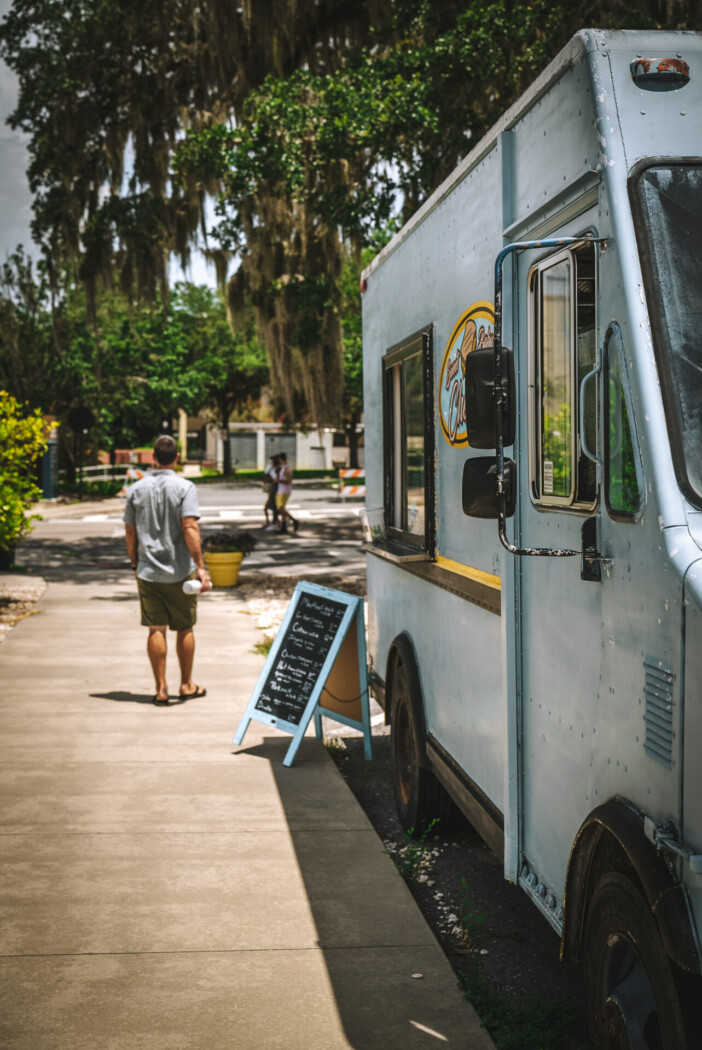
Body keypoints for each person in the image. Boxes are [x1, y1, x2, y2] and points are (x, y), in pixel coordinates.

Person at [123, 435, 211, 706]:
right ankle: (186, 685)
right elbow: (190, 527)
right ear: (177, 458)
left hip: (148, 571)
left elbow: (130, 530)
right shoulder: (186, 487)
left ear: (153, 457)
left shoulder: (136, 489)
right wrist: (200, 566)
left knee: (155, 629)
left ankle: (161, 689)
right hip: (180, 572)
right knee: (185, 628)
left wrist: (135, 561)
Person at [275, 451, 299, 534]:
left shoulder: (287, 468)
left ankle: (294, 520)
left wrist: (279, 480)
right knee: (282, 509)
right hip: (281, 491)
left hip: (284, 491)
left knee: (280, 508)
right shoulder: (283, 467)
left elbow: (289, 480)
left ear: (281, 459)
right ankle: (284, 526)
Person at [263, 454, 279, 531]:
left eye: (274, 460)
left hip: (275, 490)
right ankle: (271, 522)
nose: (272, 461)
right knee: (271, 507)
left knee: (272, 507)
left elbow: (276, 479)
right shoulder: (272, 468)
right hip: (271, 489)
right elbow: (268, 478)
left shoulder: (278, 469)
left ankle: (275, 523)